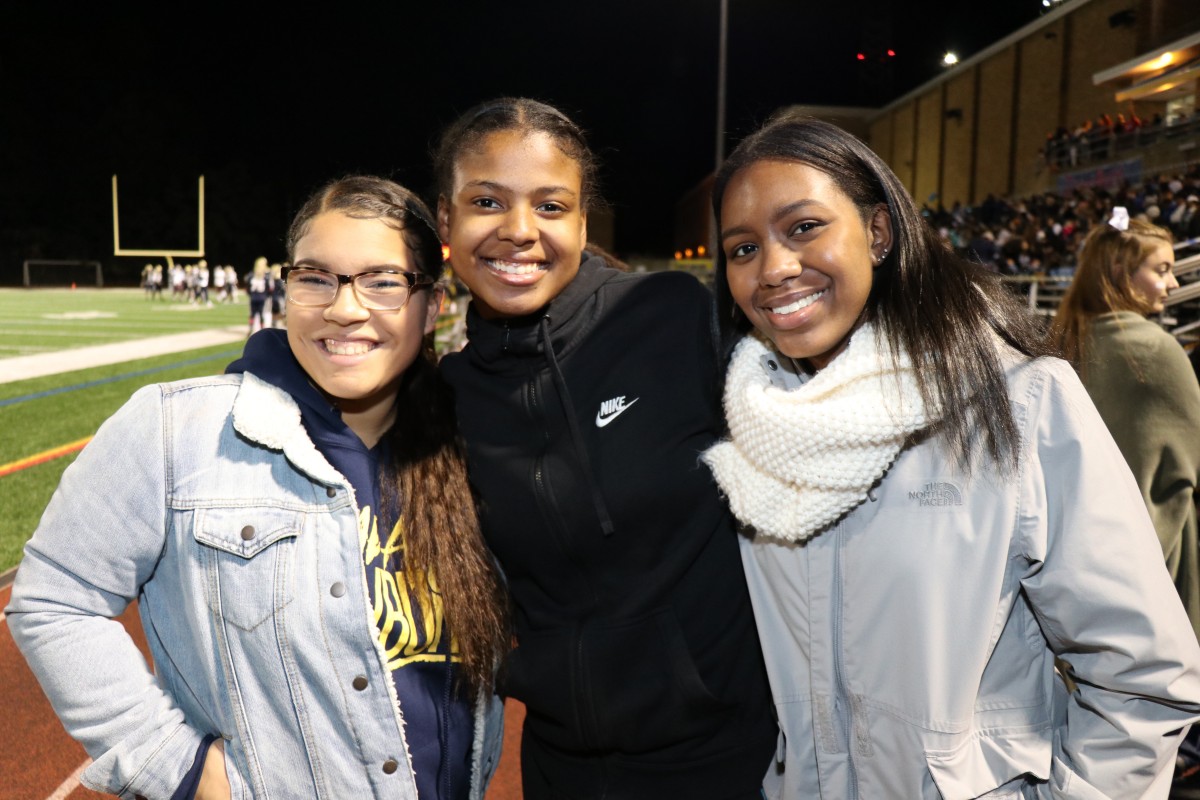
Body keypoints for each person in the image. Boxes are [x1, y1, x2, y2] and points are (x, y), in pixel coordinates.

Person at [701, 113, 1200, 798]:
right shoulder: (753, 430)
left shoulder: (1018, 401)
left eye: (805, 227)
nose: (775, 267)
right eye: (742, 248)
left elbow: (1145, 674)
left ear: (877, 232)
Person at [7, 176, 509, 799]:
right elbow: (56, 598)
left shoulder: (471, 444)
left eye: (382, 281)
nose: (344, 308)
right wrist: (182, 770)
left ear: (432, 306)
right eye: (316, 277)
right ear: (285, 290)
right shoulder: (174, 430)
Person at [434, 97, 778, 799]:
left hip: (723, 756)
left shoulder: (676, 318)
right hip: (563, 765)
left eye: (551, 206)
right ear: (447, 222)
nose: (519, 230)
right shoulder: (449, 395)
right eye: (487, 202)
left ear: (583, 221)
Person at [1050, 213, 1200, 637]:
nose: (1172, 285)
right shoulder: (1155, 349)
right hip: (1156, 558)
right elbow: (1185, 470)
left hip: (1081, 561)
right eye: (1162, 270)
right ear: (1120, 272)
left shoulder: (1062, 344)